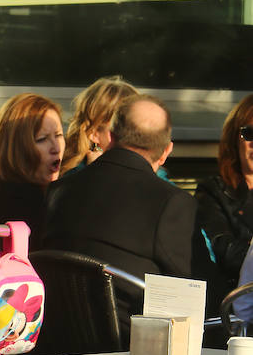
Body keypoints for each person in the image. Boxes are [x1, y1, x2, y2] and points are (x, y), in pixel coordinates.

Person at [42, 94, 196, 326]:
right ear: (166, 151)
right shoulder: (171, 202)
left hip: (55, 342)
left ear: (111, 137)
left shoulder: (58, 191)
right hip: (129, 350)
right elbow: (186, 292)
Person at [0, 93, 65, 231]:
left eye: (59, 135)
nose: (56, 147)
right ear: (16, 147)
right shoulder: (23, 202)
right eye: (42, 139)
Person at [194, 94, 253, 303]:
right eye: (250, 133)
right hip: (234, 311)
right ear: (234, 139)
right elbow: (224, 251)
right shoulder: (212, 191)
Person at [60, 75, 138, 174]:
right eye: (120, 128)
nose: (131, 136)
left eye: (136, 127)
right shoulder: (75, 179)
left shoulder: (152, 170)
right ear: (94, 133)